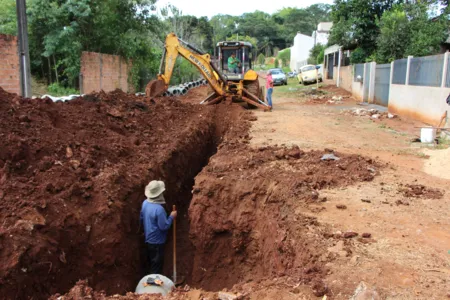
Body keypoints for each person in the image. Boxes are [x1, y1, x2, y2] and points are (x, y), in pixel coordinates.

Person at [140, 180, 177, 275]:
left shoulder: (145, 203)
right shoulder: (159, 210)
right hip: (157, 242)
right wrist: (171, 216)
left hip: (148, 238)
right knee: (156, 265)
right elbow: (164, 226)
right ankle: (154, 285)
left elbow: (141, 217)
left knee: (151, 261)